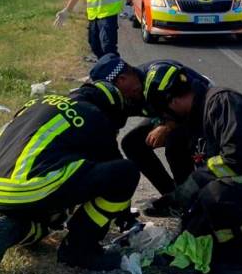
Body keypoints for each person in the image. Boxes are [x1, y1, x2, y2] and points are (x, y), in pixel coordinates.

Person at [140, 61, 242, 274]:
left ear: (172, 100)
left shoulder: (222, 102)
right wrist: (179, 207)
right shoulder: (196, 116)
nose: (165, 120)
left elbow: (237, 159)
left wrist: (193, 184)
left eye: (163, 113)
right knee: (198, 204)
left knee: (213, 194)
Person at [0, 81, 139, 273]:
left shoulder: (38, 102)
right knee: (127, 171)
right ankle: (78, 250)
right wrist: (125, 217)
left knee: (51, 217)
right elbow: (116, 174)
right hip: (30, 184)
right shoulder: (96, 115)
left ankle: (13, 229)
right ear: (110, 109)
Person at [89, 56, 212, 199]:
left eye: (113, 89)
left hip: (204, 117)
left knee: (175, 142)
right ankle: (171, 195)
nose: (114, 95)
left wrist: (168, 126)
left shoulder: (160, 74)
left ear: (122, 79)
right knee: (132, 143)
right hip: (168, 117)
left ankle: (189, 200)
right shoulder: (125, 96)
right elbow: (109, 126)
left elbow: (199, 99)